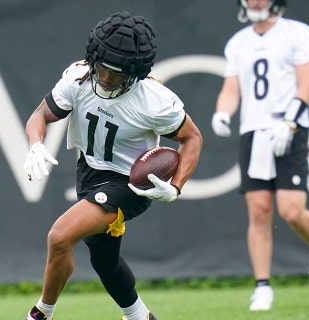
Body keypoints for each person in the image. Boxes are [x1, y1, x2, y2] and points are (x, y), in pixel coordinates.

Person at [22, 11, 203, 320]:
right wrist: (36, 145)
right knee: (105, 261)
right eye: (102, 69)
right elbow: (40, 115)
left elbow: (192, 138)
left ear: (135, 72)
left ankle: (41, 314)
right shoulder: (78, 77)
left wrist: (175, 187)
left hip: (129, 183)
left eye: (117, 74)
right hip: (90, 173)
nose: (106, 80)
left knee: (60, 236)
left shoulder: (154, 100)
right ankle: (140, 317)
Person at [211, 0, 309, 311]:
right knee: (259, 210)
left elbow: (306, 86)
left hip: (289, 128)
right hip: (254, 131)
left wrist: (290, 121)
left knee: (292, 211)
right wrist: (222, 114)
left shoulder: (297, 33)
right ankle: (263, 286)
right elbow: (231, 89)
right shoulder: (238, 42)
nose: (254, 2)